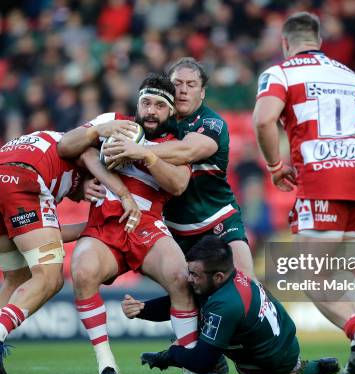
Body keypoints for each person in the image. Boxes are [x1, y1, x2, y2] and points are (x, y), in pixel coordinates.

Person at [253, 11, 355, 374]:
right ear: (319, 41)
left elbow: (264, 120)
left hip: (324, 180)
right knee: (343, 275)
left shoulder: (281, 73)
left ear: (285, 43)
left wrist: (276, 165)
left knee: (309, 275)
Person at [0, 124, 140, 374]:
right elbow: (92, 157)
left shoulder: (52, 156)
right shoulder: (85, 150)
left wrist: (89, 228)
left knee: (16, 278)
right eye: (93, 185)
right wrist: (125, 195)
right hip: (22, 178)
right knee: (50, 277)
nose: (87, 196)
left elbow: (40, 235)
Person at [58, 73, 199, 374]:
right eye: (146, 102)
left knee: (180, 276)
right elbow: (65, 146)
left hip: (147, 224)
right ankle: (107, 365)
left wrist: (143, 155)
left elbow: (178, 185)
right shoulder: (113, 121)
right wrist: (99, 130)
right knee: (81, 270)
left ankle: (191, 365)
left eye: (160, 106)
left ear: (171, 112)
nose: (150, 110)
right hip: (104, 224)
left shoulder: (176, 141)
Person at [104, 58, 254, 277]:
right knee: (190, 295)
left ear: (202, 92)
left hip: (218, 219)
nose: (183, 90)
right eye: (177, 83)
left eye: (191, 85)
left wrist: (139, 150)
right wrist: (91, 180)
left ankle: (274, 312)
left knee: (245, 284)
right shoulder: (157, 119)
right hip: (174, 229)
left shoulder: (211, 123)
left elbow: (187, 151)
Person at [124, 235, 340, 374]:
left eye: (194, 274)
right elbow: (189, 300)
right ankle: (307, 368)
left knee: (191, 334)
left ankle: (293, 371)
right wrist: (143, 309)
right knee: (199, 315)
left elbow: (200, 361)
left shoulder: (226, 304)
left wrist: (169, 355)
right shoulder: (229, 280)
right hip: (285, 347)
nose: (188, 279)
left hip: (264, 369)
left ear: (217, 277)